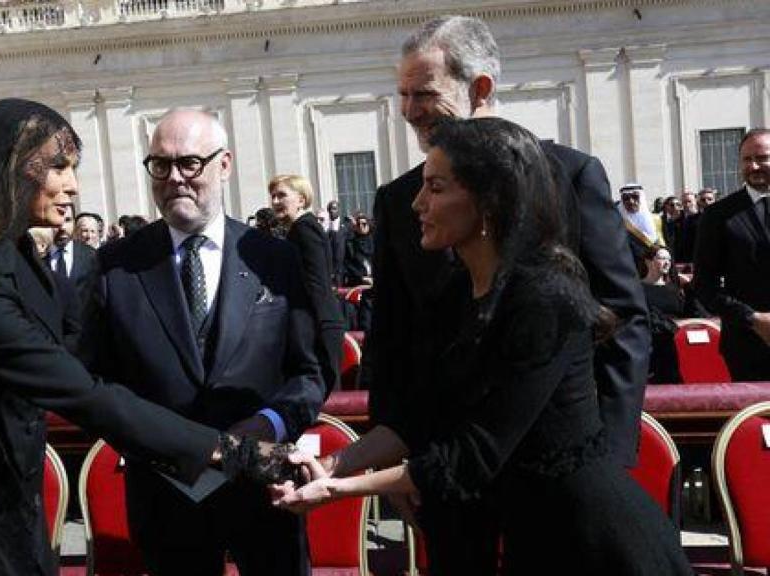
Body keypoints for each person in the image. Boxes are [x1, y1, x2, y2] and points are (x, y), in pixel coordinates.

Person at [0, 99, 289, 576]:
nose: (73, 187)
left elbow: (84, 352)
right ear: (13, 169)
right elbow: (78, 390)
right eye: (59, 168)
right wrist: (228, 449)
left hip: (13, 488)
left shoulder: (16, 258)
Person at [272, 117, 692, 576]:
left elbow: (474, 454)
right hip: (529, 531)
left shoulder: (546, 295)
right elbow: (420, 419)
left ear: (489, 200)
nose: (416, 203)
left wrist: (337, 491)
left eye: (435, 187)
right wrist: (332, 464)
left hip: (596, 542)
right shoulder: (458, 295)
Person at [368, 17, 649, 493]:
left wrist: (610, 459)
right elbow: (393, 344)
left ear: (480, 87)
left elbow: (621, 319)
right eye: (403, 95)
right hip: (447, 471)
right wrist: (392, 467)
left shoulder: (571, 175)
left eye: (424, 94)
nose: (409, 112)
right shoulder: (399, 201)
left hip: (559, 471)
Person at [81, 109, 323, 576]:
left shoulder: (274, 257)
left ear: (225, 165)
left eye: (189, 163)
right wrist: (165, 444)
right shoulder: (115, 266)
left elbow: (309, 372)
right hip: (166, 501)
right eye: (160, 165)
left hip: (265, 494)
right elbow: (97, 385)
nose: (174, 178)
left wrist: (269, 423)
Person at [693, 128, 770, 380]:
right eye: (747, 159)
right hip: (748, 347)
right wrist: (752, 318)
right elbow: (704, 285)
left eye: (762, 158)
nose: (754, 166)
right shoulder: (718, 215)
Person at [269, 174, 346, 394]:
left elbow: (315, 281)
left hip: (318, 324)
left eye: (281, 195)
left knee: (323, 402)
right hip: (319, 321)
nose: (275, 201)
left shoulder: (303, 229)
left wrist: (309, 327)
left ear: (301, 200)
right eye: (273, 196)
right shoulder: (302, 227)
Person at [640, 245, 706, 384]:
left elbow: (695, 314)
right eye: (662, 258)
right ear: (648, 261)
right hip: (654, 346)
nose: (667, 263)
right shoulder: (638, 289)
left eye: (669, 259)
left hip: (679, 344)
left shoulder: (675, 289)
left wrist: (690, 290)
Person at [342, 212, 373, 286]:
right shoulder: (350, 243)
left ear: (368, 225)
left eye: (364, 224)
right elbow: (347, 264)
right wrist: (361, 278)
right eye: (358, 224)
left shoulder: (374, 241)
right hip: (358, 282)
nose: (361, 226)